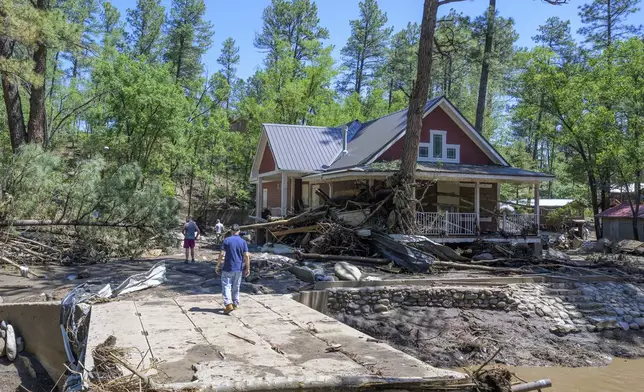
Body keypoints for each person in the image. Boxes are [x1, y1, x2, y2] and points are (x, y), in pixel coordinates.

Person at [216, 224, 250, 314]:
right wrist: (247, 268)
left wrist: (218, 265)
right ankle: (235, 303)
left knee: (226, 286)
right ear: (239, 231)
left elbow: (222, 254)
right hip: (238, 268)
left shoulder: (226, 240)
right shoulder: (243, 242)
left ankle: (228, 304)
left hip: (228, 267)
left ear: (231, 231)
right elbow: (246, 256)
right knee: (236, 286)